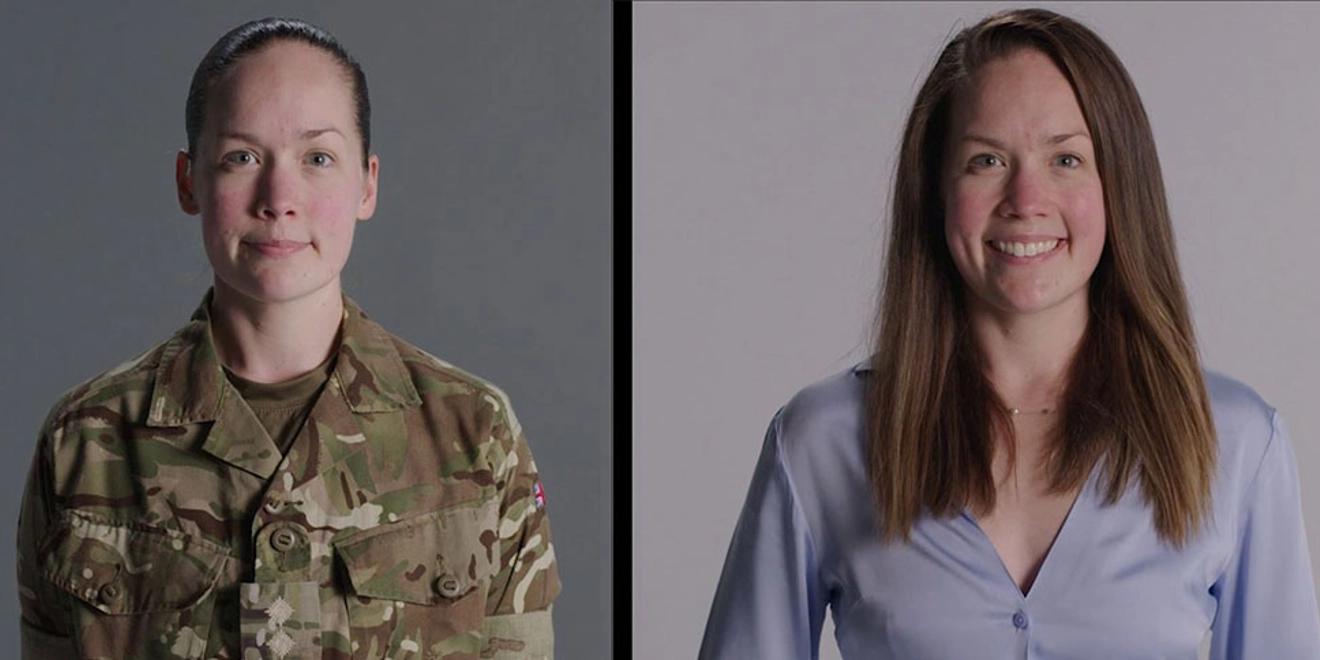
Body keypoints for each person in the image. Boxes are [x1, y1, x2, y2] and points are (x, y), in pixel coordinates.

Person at [699, 8, 1320, 659]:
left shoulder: (1235, 443)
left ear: (1120, 187)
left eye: (1066, 158)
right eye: (986, 160)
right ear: (935, 191)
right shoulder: (823, 442)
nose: (1026, 200)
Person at [16, 17, 559, 660]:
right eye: (241, 157)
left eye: (317, 158)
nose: (279, 198)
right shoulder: (84, 441)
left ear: (367, 183)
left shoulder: (474, 432)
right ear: (189, 181)